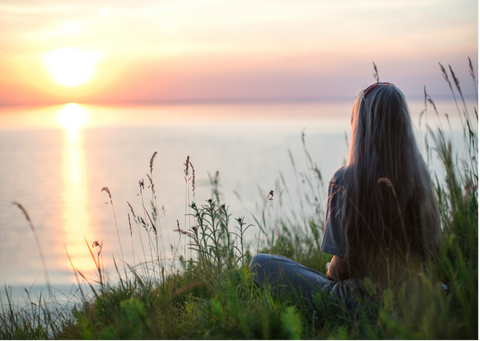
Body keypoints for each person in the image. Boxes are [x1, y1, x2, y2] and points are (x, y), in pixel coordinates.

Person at [249, 82, 441, 310]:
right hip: (417, 298)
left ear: (361, 127)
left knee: (261, 264)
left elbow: (340, 270)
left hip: (360, 302)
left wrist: (330, 267)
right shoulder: (421, 179)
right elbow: (432, 253)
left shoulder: (346, 181)